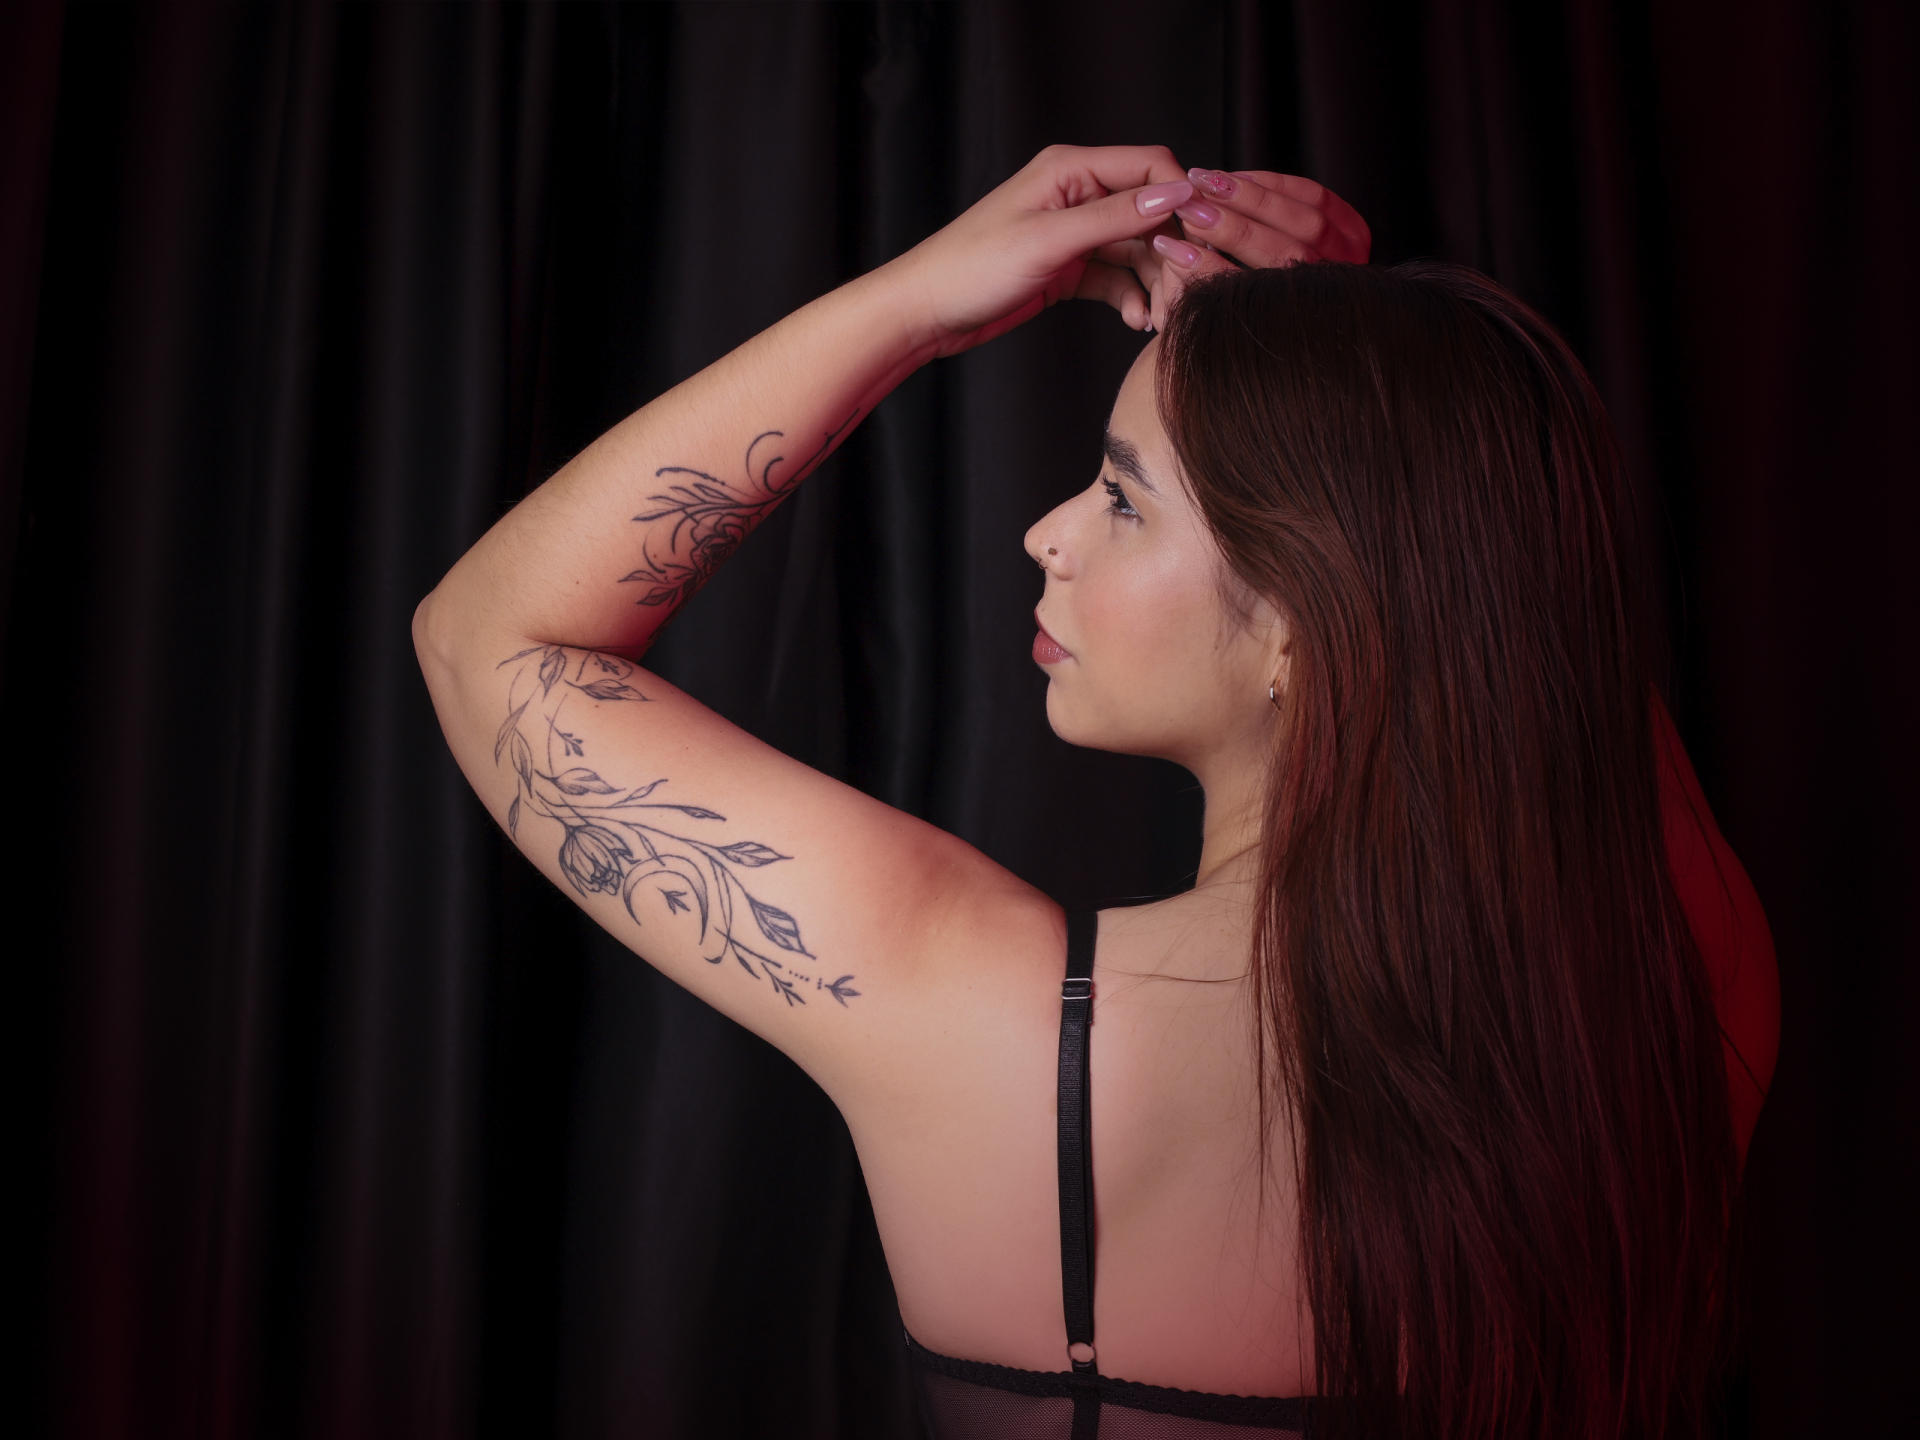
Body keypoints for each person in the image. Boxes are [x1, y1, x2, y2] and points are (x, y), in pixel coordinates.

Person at [413, 144, 1779, 1439]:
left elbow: (488, 640)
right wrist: (1373, 389)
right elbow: (1526, 639)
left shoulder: (981, 1012)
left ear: (1307, 623)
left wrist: (924, 299)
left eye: (1122, 499)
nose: (1046, 533)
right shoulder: (1687, 992)